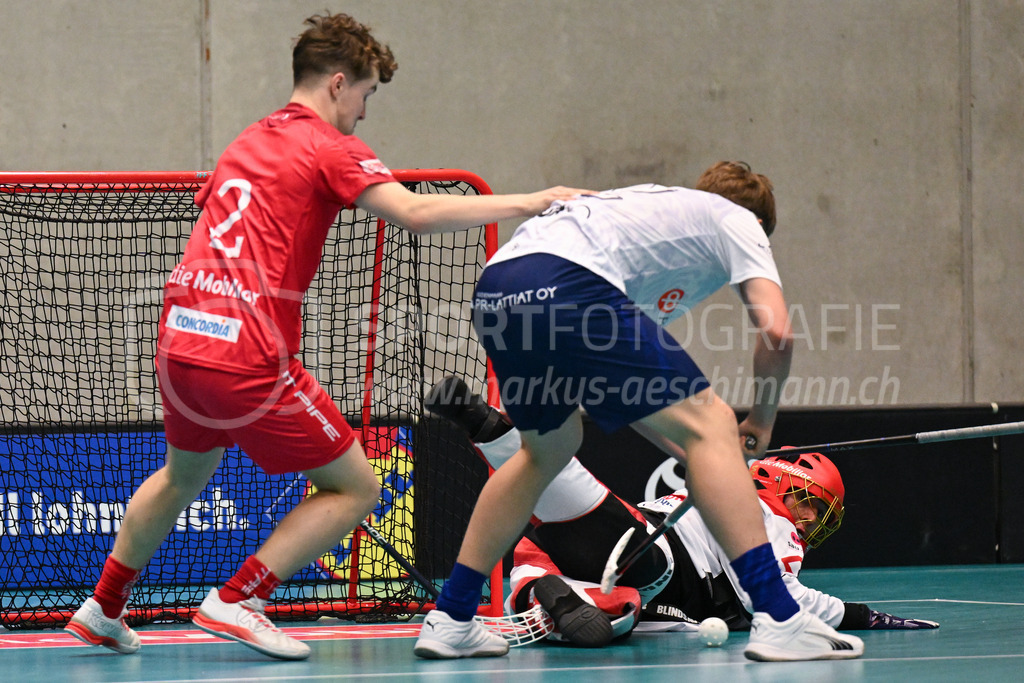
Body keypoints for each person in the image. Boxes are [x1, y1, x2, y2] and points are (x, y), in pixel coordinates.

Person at [63, 12, 587, 661]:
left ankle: (102, 606)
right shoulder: (328, 145)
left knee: (181, 473)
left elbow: (218, 206)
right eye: (365, 94)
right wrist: (532, 200)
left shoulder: (247, 141)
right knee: (356, 486)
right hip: (244, 348)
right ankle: (239, 598)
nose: (363, 112)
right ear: (338, 83)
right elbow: (415, 213)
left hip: (180, 335)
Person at [413, 162, 866, 662]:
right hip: (566, 282)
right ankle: (780, 618)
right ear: (759, 226)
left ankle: (452, 618)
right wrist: (759, 421)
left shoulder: (649, 221)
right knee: (715, 423)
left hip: (499, 289)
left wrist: (700, 458)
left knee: (546, 452)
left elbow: (630, 400)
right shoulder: (737, 219)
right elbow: (777, 333)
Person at [424, 378, 939, 646]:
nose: (807, 523)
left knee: (614, 606)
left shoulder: (721, 482)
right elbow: (781, 598)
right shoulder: (768, 516)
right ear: (785, 486)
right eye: (810, 506)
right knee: (639, 572)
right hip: (649, 554)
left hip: (568, 544)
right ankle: (551, 586)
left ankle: (540, 582)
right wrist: (865, 616)